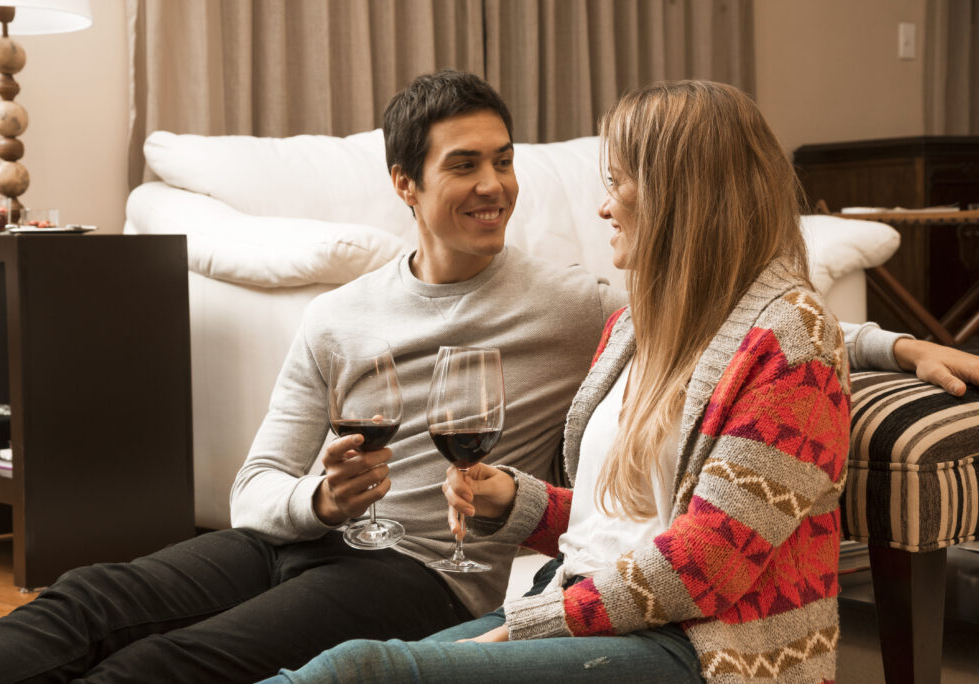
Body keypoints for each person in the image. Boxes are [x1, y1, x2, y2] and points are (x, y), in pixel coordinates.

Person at [0, 71, 974, 684]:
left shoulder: (577, 303)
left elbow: (748, 332)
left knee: (164, 664)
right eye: (463, 166)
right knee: (85, 602)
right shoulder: (340, 315)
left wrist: (891, 345)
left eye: (505, 160)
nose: (496, 186)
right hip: (308, 538)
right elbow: (253, 487)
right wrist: (319, 500)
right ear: (404, 185)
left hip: (425, 572)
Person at [260, 80, 939, 684]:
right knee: (355, 665)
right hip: (585, 601)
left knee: (360, 670)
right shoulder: (635, 328)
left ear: (680, 194)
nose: (603, 208)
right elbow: (617, 527)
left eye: (617, 184)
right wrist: (518, 502)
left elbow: (706, 564)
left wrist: (525, 626)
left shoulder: (792, 339)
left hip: (704, 647)